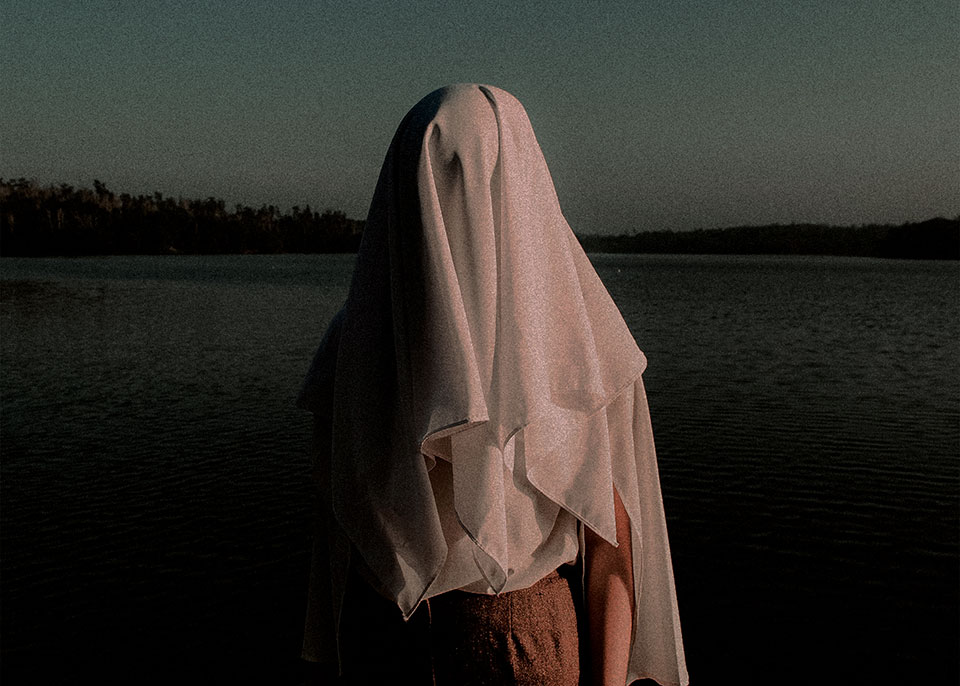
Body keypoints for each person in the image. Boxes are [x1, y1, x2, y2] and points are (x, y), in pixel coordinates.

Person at [297, 84, 688, 686]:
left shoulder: (581, 343)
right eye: (441, 184)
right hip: (397, 641)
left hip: (515, 643)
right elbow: (335, 546)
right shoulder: (360, 342)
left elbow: (612, 555)